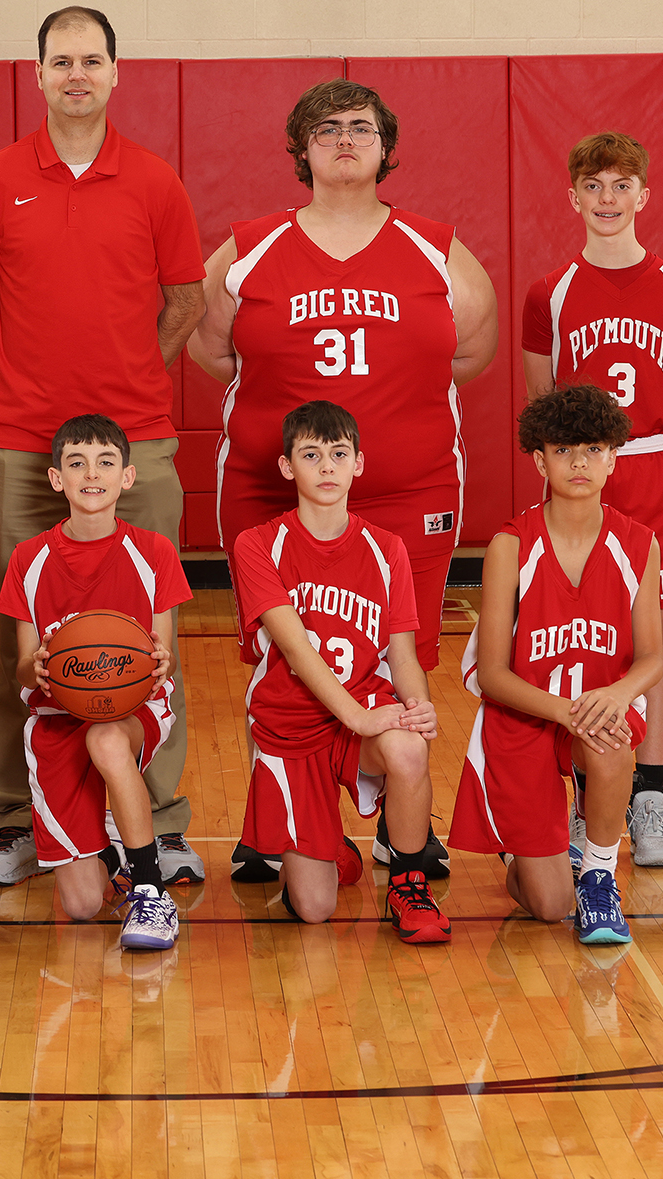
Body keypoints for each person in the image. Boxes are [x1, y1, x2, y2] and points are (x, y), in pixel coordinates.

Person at [188, 77, 496, 882]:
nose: (345, 139)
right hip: (273, 491)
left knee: (400, 650)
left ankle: (402, 823)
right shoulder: (248, 246)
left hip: (410, 490)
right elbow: (209, 347)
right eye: (325, 129)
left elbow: (472, 350)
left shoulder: (435, 245)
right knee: (280, 658)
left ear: (386, 146)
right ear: (301, 149)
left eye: (361, 127)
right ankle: (276, 819)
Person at [0, 7, 207, 889]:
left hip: (139, 441)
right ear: (38, 74)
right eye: (61, 61)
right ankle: (22, 822)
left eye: (92, 60)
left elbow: (186, 301)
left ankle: (159, 826)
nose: (77, 75)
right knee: (17, 640)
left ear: (116, 72)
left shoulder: (156, 181)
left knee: (155, 639)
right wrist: (31, 380)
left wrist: (128, 377)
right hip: (21, 442)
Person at [522, 132, 663, 869]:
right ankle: (586, 800)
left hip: (654, 472)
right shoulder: (550, 292)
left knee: (654, 646)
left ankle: (651, 797)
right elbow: (543, 403)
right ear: (573, 197)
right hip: (579, 473)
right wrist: (580, 461)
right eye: (593, 186)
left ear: (644, 195)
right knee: (580, 641)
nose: (607, 199)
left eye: (621, 185)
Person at [452, 384, 663, 946]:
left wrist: (616, 695)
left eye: (593, 449)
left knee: (612, 739)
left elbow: (652, 658)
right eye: (564, 450)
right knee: (548, 906)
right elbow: (492, 673)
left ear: (613, 457)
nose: (579, 463)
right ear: (539, 460)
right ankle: (529, 852)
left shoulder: (639, 544)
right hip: (525, 715)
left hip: (596, 713)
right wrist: (566, 712)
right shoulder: (510, 545)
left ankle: (599, 874)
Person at [231, 401, 449, 944]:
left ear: (358, 463)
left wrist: (417, 708)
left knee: (408, 748)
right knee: (313, 908)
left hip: (362, 710)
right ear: (287, 467)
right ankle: (329, 849)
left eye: (338, 453)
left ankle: (409, 884)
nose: (326, 466)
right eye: (311, 455)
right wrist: (358, 717)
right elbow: (296, 649)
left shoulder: (387, 549)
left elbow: (403, 654)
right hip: (290, 724)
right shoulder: (257, 544)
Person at [0, 415, 189, 950]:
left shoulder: (154, 551)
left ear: (127, 476)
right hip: (57, 715)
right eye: (76, 464)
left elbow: (164, 656)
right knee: (81, 906)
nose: (91, 474)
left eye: (105, 463)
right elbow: (21, 666)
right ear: (56, 478)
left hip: (133, 707)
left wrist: (159, 662)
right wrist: (37, 667)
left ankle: (150, 890)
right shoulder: (28, 559)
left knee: (105, 739)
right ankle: (112, 856)